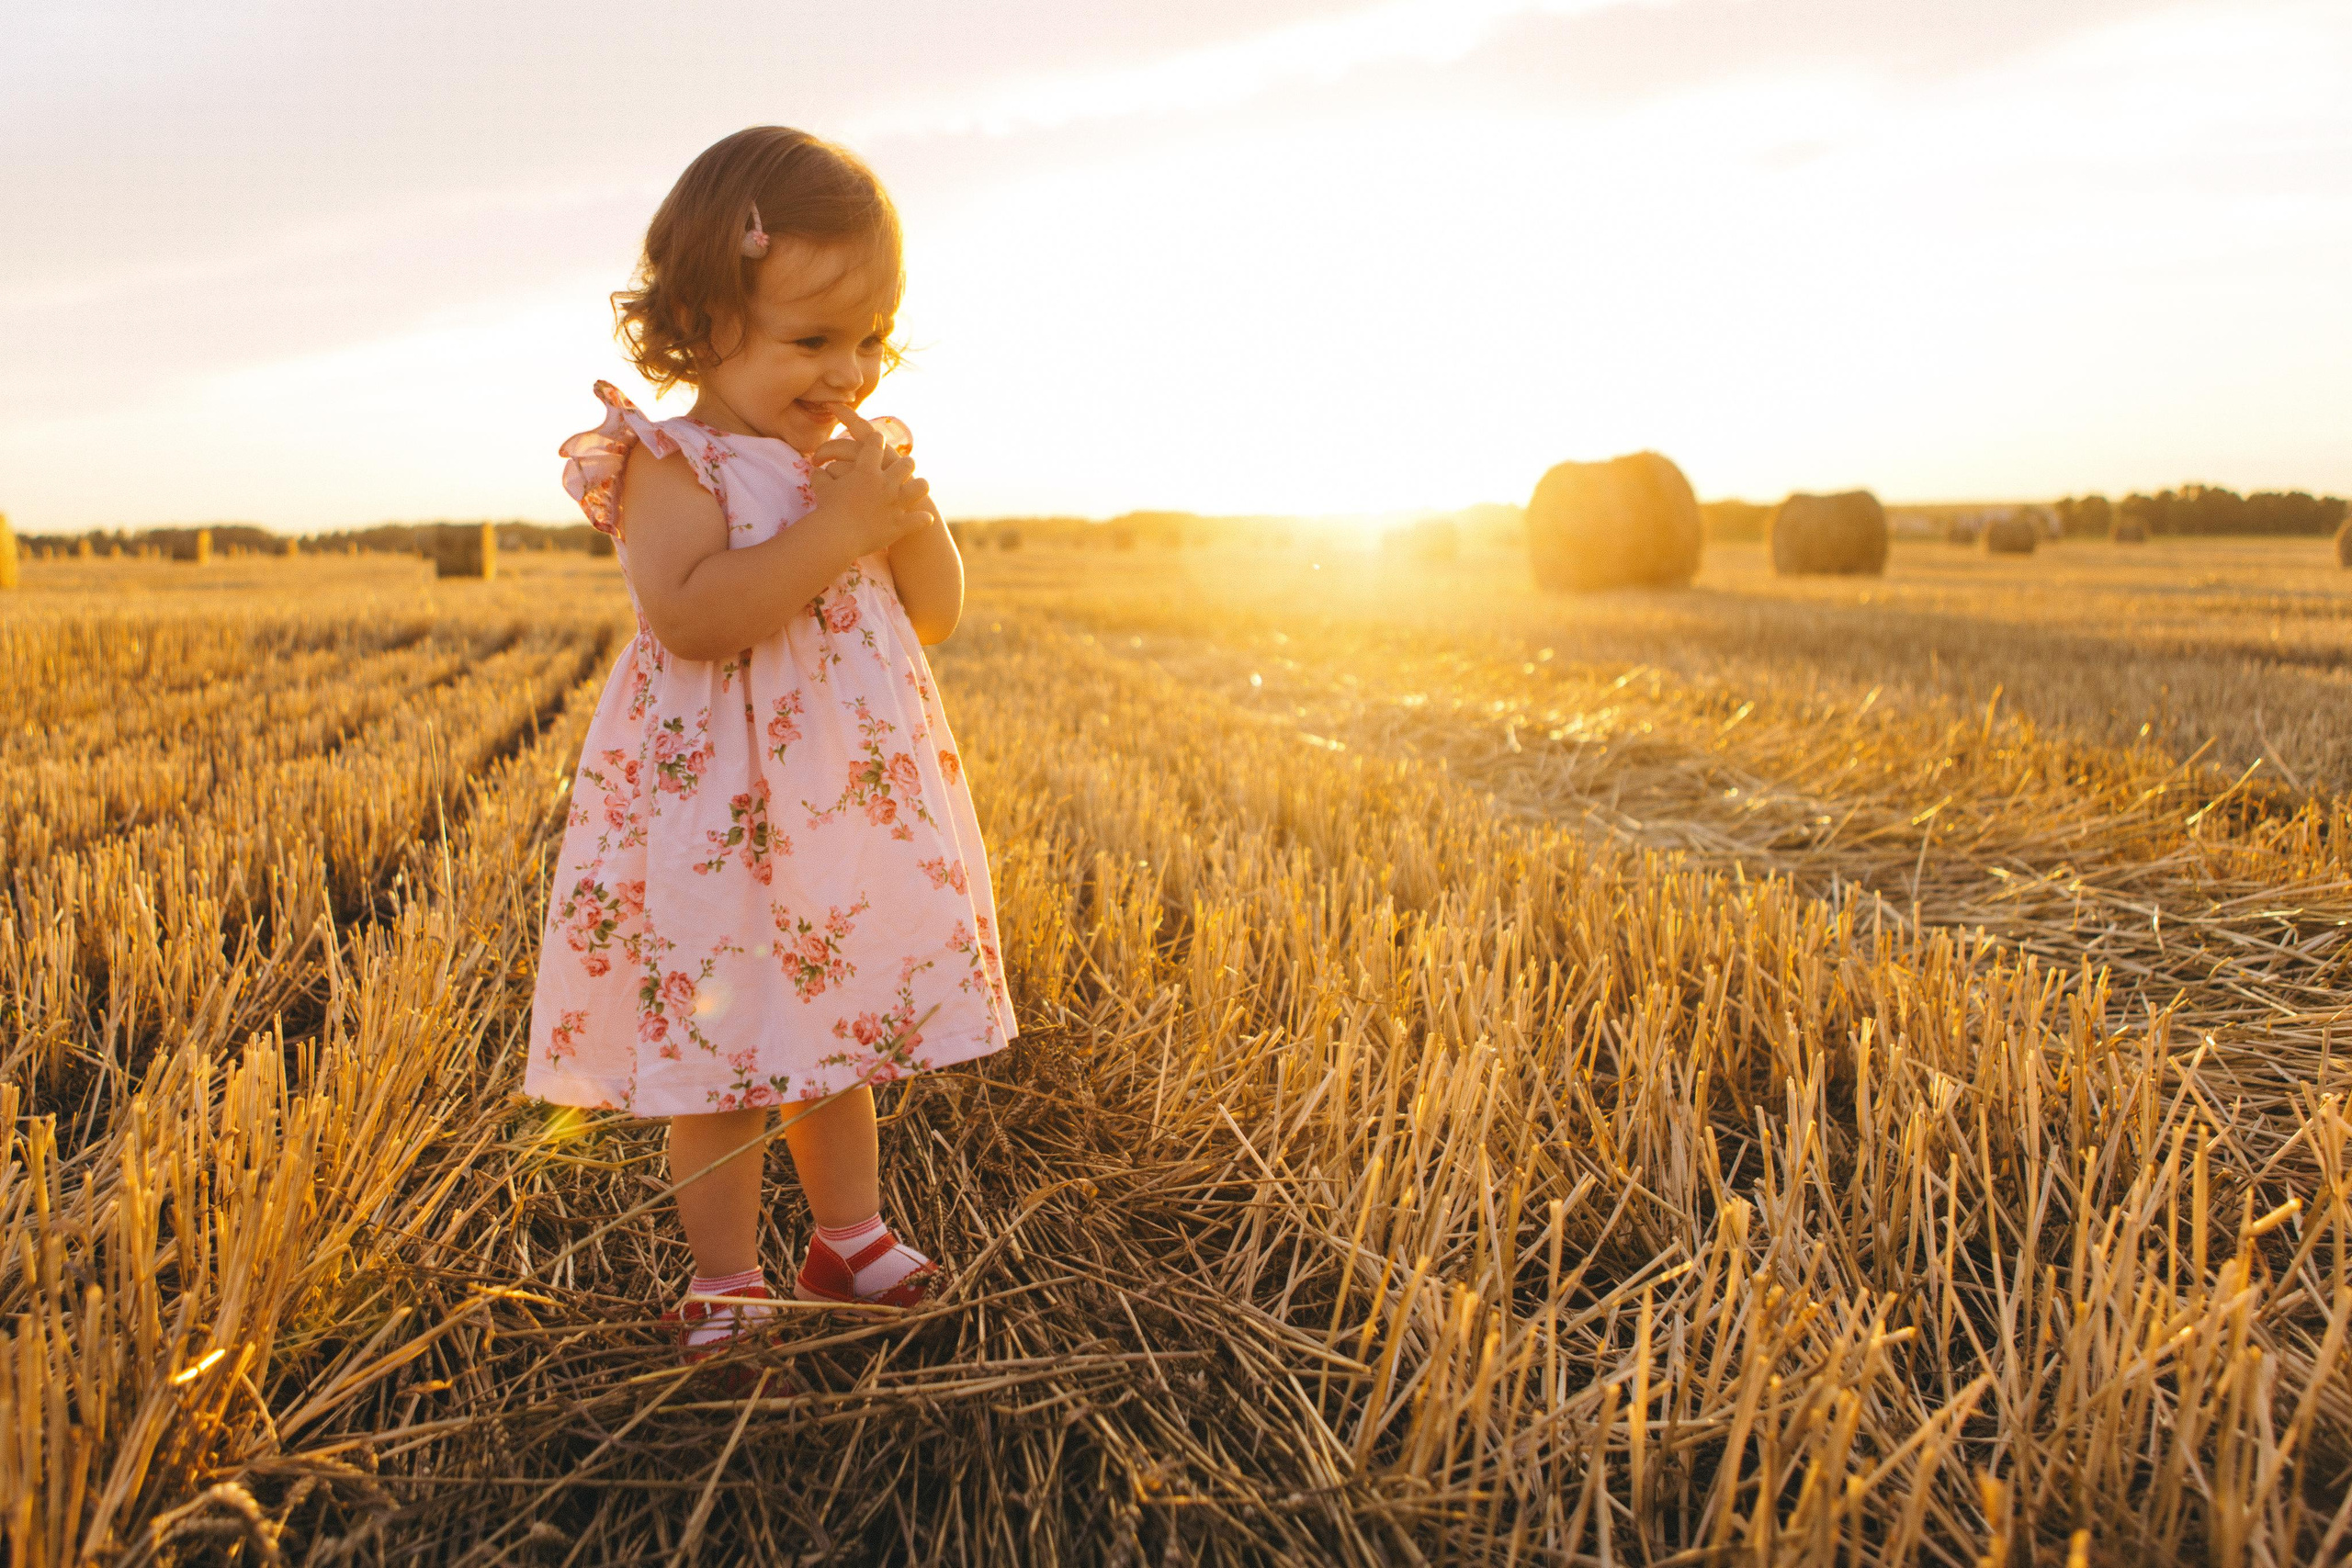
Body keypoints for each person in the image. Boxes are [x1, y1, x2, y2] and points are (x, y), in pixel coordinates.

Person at [526, 126, 1015, 1359]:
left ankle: (847, 1238)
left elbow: (939, 612)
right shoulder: (674, 465)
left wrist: (901, 511)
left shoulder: (861, 455)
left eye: (870, 339)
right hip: (719, 808)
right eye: (811, 340)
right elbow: (694, 620)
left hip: (836, 799)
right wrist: (838, 527)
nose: (845, 369)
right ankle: (725, 1277)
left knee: (834, 1021)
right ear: (701, 319)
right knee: (727, 1047)